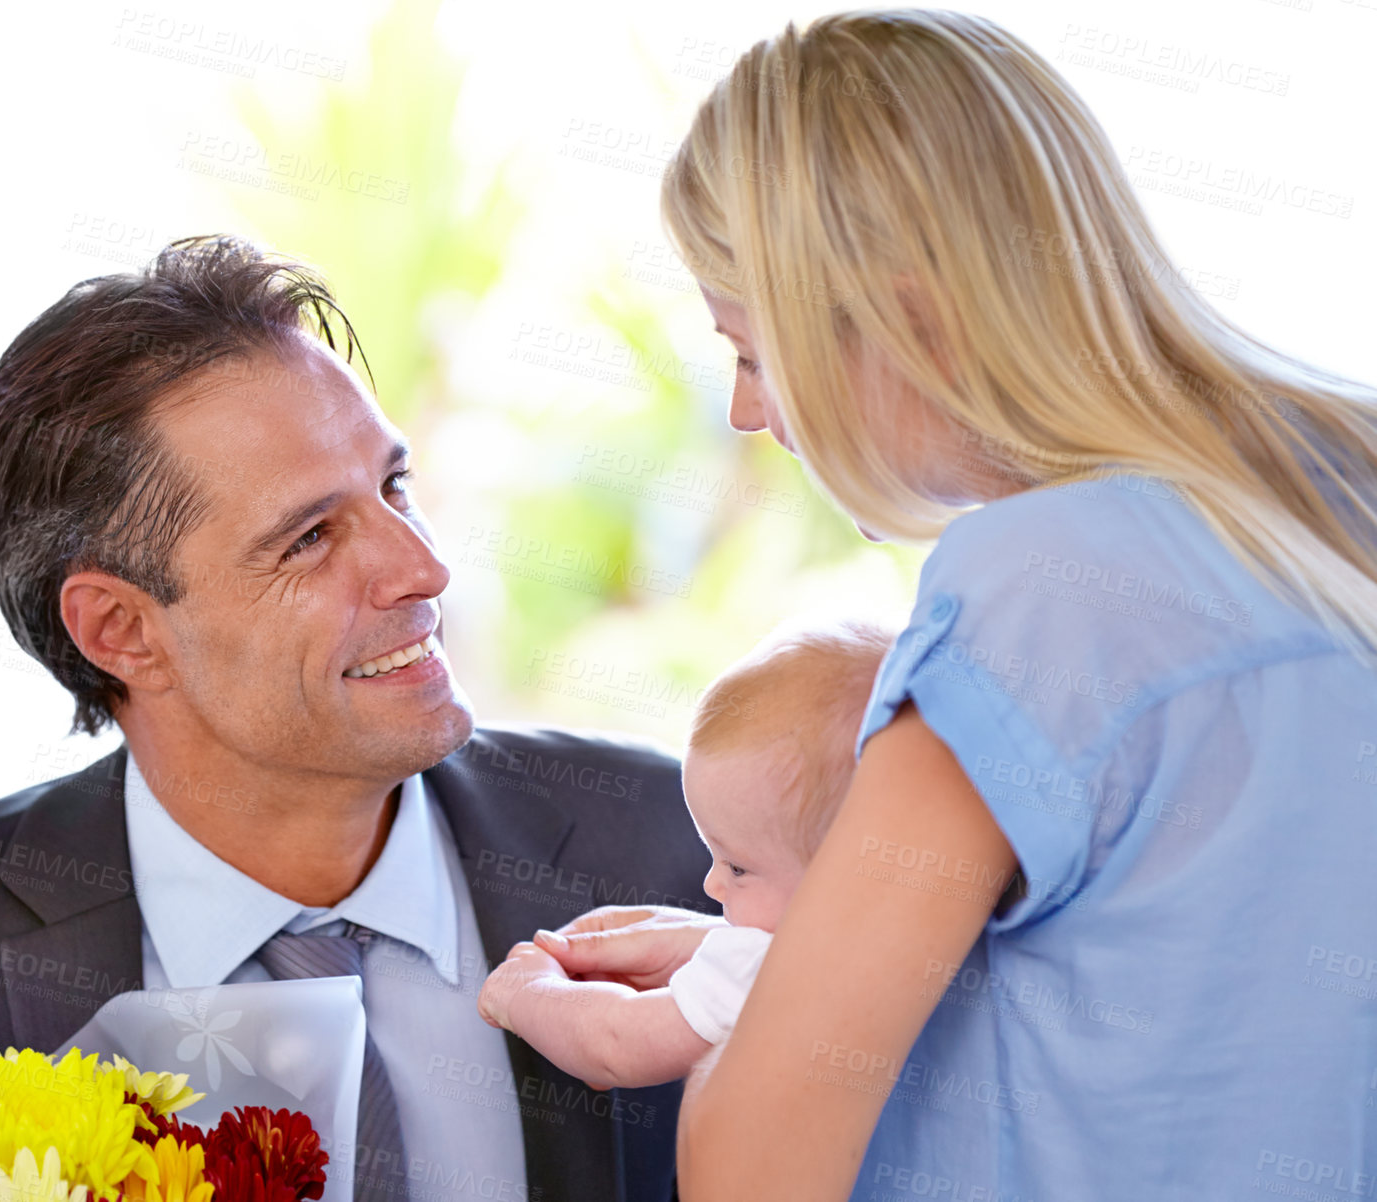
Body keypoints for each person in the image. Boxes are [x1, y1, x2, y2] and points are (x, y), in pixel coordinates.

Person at [505, 11, 1377, 1200]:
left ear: (904, 321)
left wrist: (751, 1001)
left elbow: (752, 1166)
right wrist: (758, 957)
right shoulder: (1333, 497)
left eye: (754, 352)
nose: (750, 415)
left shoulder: (1040, 590)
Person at [0, 236, 715, 1202]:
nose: (424, 567)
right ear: (120, 630)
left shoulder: (683, 851)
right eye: (311, 538)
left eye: (394, 485)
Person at [478, 624, 891, 1088]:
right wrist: (707, 941)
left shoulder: (770, 969)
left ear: (842, 880)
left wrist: (527, 992)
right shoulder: (930, 943)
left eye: (738, 867)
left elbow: (616, 1042)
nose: (712, 885)